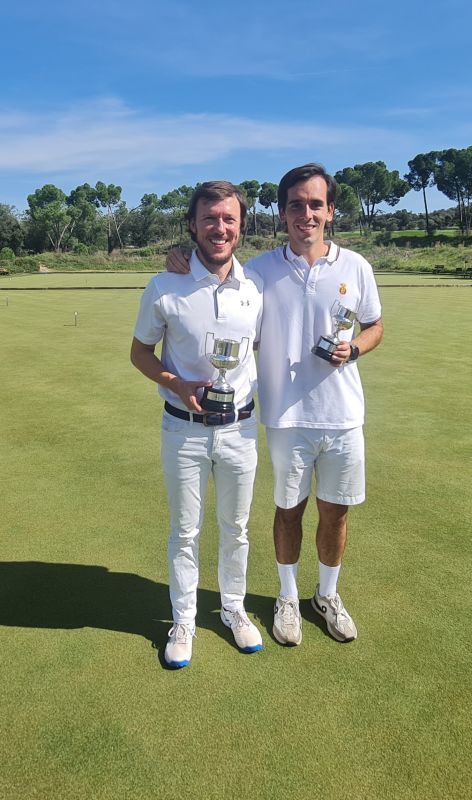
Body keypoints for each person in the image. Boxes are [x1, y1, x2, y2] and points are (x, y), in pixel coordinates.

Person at [166, 164, 383, 647]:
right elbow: (213, 264)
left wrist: (358, 348)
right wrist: (179, 255)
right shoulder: (260, 271)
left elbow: (375, 325)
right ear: (282, 213)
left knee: (337, 512)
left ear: (330, 210)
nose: (306, 213)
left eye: (315, 204)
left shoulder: (357, 267)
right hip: (284, 418)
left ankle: (326, 595)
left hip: (345, 416)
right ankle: (287, 598)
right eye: (295, 205)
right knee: (288, 511)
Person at [131, 181, 263, 669]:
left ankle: (233, 609)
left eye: (229, 218)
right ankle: (183, 619)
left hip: (240, 429)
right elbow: (139, 353)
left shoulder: (257, 286)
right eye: (209, 218)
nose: (219, 227)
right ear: (192, 225)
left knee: (237, 528)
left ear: (241, 225)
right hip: (183, 428)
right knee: (185, 532)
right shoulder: (166, 285)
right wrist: (177, 382)